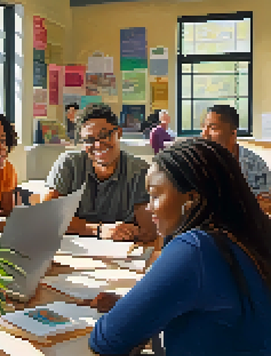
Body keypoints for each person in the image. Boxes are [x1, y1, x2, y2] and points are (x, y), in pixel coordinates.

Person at [88, 138, 271, 355]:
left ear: (192, 199)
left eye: (155, 195)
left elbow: (107, 340)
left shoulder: (196, 249)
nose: (149, 208)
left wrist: (133, 312)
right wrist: (143, 304)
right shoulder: (248, 236)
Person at [43, 103, 157, 243]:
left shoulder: (140, 171)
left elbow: (148, 231)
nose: (98, 145)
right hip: (73, 252)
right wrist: (97, 229)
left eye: (104, 135)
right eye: (89, 140)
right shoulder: (69, 164)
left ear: (119, 133)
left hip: (123, 254)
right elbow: (47, 218)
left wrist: (126, 232)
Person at [201, 104, 271, 214]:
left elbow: (264, 205)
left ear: (233, 133)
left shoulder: (254, 164)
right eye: (204, 127)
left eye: (213, 128)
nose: (204, 134)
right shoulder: (197, 160)